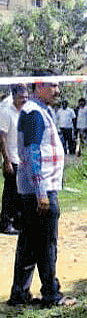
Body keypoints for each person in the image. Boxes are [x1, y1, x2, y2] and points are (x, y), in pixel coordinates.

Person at [8, 70, 75, 307]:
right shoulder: (34, 113)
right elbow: (33, 154)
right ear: (39, 86)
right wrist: (41, 192)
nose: (57, 90)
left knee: (28, 244)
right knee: (46, 244)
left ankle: (19, 294)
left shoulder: (38, 111)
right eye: (52, 86)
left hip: (32, 190)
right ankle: (51, 295)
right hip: (40, 190)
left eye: (58, 85)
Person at [0, 84, 28, 235]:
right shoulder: (6, 112)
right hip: (11, 159)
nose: (24, 100)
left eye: (26, 97)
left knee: (19, 194)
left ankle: (17, 222)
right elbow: (1, 138)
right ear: (14, 96)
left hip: (21, 159)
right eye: (21, 97)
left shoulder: (22, 112)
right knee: (10, 194)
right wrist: (6, 161)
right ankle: (5, 222)